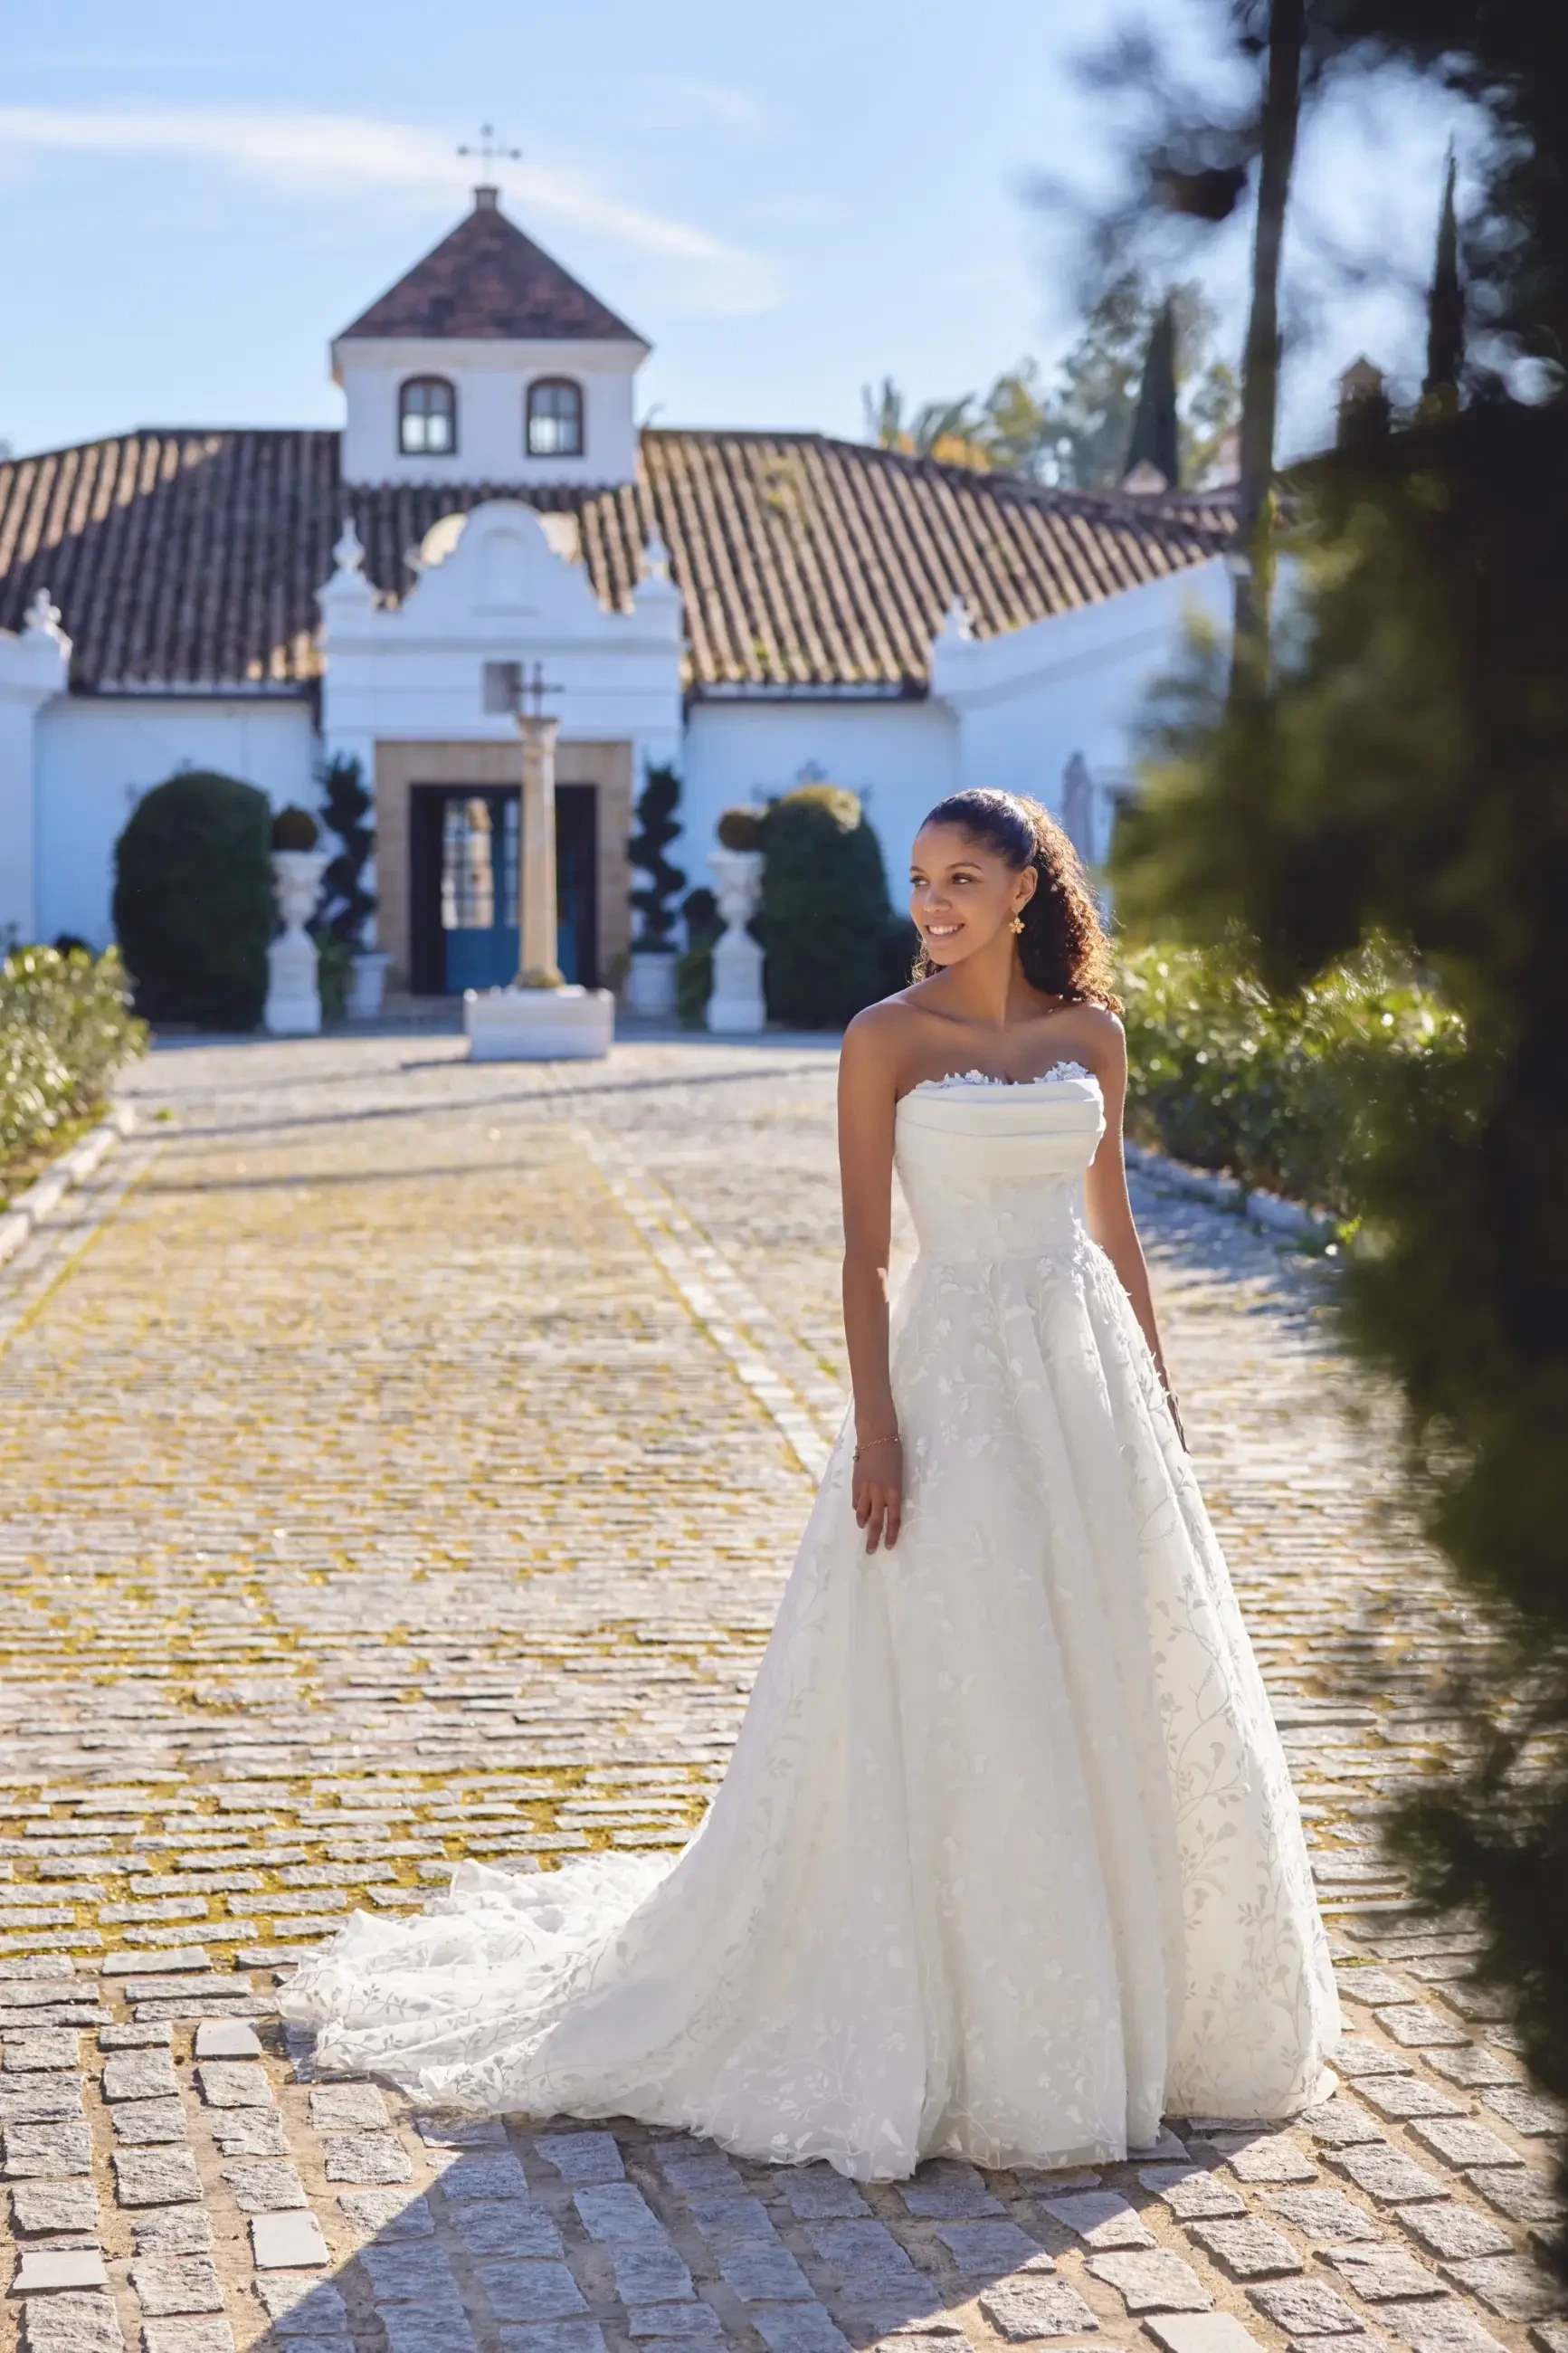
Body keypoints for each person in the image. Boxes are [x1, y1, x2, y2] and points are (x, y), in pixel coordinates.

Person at [282, 787, 1338, 2181]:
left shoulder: (1095, 1034)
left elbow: (1114, 1223)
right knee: (973, 1668)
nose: (938, 903)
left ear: (1029, 888)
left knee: (1114, 1669)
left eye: (966, 878)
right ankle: (970, 2016)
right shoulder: (883, 1040)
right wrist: (881, 1434)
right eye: (923, 879)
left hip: (1087, 1391)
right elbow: (861, 1256)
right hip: (953, 1378)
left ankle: (1145, 2008)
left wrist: (1159, 1384)